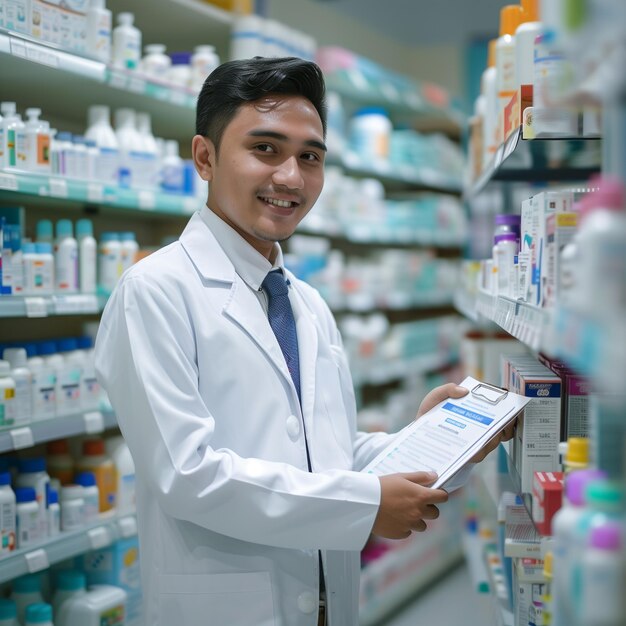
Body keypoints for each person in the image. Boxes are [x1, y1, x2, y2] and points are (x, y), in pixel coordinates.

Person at [95, 57, 511, 626]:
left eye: (309, 156)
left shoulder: (306, 302)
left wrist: (432, 440)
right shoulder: (155, 291)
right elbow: (187, 476)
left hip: (326, 601)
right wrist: (365, 508)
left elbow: (325, 452)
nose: (292, 177)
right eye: (265, 149)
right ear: (205, 157)